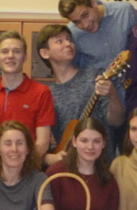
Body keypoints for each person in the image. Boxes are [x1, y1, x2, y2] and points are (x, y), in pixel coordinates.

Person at [34, 24, 124, 165]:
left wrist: (113, 95)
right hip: (69, 168)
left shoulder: (95, 77)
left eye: (69, 39)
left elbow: (116, 122)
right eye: (59, 41)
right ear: (45, 53)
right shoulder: (47, 94)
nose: (68, 44)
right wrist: (50, 158)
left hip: (102, 166)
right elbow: (42, 142)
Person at [0, 31, 55, 159]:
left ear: (25, 56)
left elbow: (42, 143)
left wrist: (20, 165)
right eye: (5, 51)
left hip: (27, 166)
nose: (10, 56)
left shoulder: (41, 93)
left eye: (16, 51)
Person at [41, 117, 120, 210]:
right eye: (84, 141)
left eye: (96, 141)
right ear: (74, 141)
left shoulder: (109, 180)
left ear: (103, 143)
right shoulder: (56, 174)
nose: (90, 147)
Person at [59, 0, 137, 81]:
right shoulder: (72, 33)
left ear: (93, 3)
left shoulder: (125, 12)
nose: (85, 25)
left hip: (135, 82)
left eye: (85, 15)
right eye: (77, 22)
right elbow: (73, 71)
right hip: (97, 86)